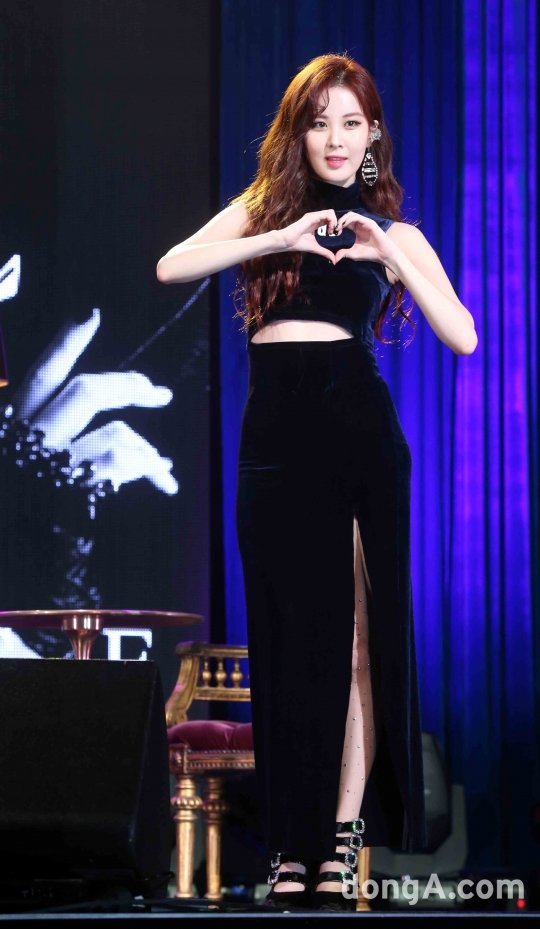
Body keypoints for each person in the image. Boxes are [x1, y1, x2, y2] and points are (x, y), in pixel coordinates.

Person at [157, 53, 477, 912]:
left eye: (351, 123)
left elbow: (463, 335)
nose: (336, 139)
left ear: (372, 135)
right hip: (274, 440)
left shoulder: (393, 232)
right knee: (286, 637)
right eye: (319, 122)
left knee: (360, 642)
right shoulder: (267, 210)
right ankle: (287, 843)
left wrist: (388, 250)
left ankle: (338, 840)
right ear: (299, 133)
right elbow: (172, 266)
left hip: (357, 434)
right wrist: (281, 237)